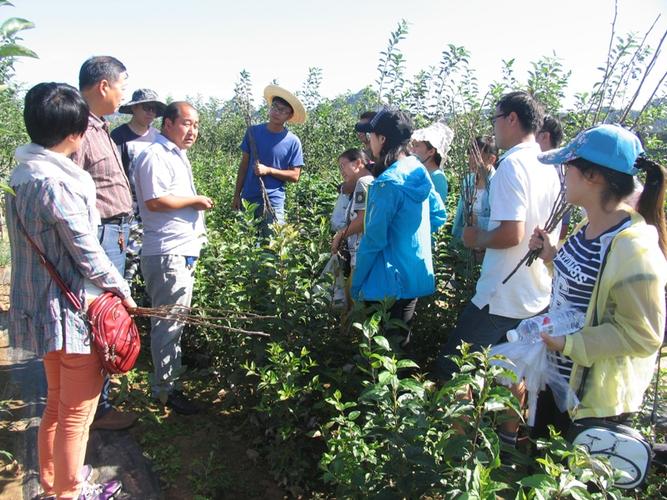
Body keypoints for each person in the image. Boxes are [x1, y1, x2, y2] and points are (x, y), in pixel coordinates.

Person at [7, 82, 136, 499]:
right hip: (70, 314)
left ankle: (54, 485)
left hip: (40, 310)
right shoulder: (57, 184)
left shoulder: (20, 178)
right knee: (77, 415)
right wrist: (123, 291)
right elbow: (87, 253)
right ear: (76, 132)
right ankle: (68, 492)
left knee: (57, 405)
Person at [529, 124, 667, 437]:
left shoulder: (634, 248)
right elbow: (586, 290)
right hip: (558, 381)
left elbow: (644, 334)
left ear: (594, 176)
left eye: (569, 166)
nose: (564, 174)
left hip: (592, 406)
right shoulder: (586, 227)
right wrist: (552, 257)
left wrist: (570, 343)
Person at [434, 91, 561, 381]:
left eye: (496, 119)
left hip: (501, 294)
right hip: (535, 293)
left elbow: (512, 233)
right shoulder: (549, 166)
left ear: (512, 119)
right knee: (510, 374)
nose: (494, 127)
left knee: (454, 372)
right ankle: (505, 429)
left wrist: (476, 238)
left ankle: (453, 426)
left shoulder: (512, 165)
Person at [71, 56, 137, 431]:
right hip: (99, 236)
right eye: (122, 85)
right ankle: (97, 410)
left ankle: (99, 403)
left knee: (107, 318)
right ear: (103, 86)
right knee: (100, 321)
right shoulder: (79, 129)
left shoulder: (100, 127)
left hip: (114, 232)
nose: (123, 92)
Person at [134, 101, 213, 415]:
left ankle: (169, 382)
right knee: (167, 323)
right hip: (167, 252)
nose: (192, 131)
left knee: (173, 322)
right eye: (186, 123)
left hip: (179, 251)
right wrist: (195, 200)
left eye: (196, 125)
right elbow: (154, 201)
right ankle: (166, 391)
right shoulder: (154, 156)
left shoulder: (176, 156)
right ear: (167, 123)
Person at [351, 109, 447, 347]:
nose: (369, 141)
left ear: (382, 139)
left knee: (379, 355)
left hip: (384, 283)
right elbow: (438, 215)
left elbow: (373, 241)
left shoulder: (386, 184)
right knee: (400, 347)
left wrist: (356, 283)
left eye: (371, 135)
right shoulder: (418, 169)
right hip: (413, 275)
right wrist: (411, 238)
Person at [232, 85, 305, 233]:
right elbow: (244, 166)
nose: (277, 112)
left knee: (272, 247)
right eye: (275, 107)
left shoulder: (293, 141)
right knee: (245, 246)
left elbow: (295, 175)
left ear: (289, 116)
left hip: (274, 202)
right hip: (248, 199)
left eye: (283, 111)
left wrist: (269, 170)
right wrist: (236, 195)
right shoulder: (253, 133)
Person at [111, 88, 166, 283]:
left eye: (154, 109)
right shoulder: (119, 137)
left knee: (151, 256)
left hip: (155, 207)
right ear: (134, 108)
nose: (150, 112)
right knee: (129, 257)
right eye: (146, 107)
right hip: (129, 208)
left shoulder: (159, 137)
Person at [331, 148, 373, 273]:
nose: (341, 172)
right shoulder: (371, 181)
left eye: (343, 166)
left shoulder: (363, 182)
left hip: (361, 254)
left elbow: (362, 220)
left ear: (358, 163)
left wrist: (340, 235)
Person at [451, 136, 498, 241]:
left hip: (487, 243)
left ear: (492, 159)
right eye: (470, 154)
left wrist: (477, 220)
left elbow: (500, 223)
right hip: (468, 243)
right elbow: (460, 213)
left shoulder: (497, 184)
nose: (471, 159)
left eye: (476, 156)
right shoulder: (468, 180)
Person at [537, 115, 570, 241]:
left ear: (545, 136)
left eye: (534, 133)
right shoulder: (564, 167)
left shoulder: (552, 168)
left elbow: (563, 228)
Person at [411, 121, 454, 206]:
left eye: (417, 146)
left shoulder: (437, 177)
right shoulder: (420, 172)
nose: (413, 150)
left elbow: (436, 209)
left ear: (431, 151)